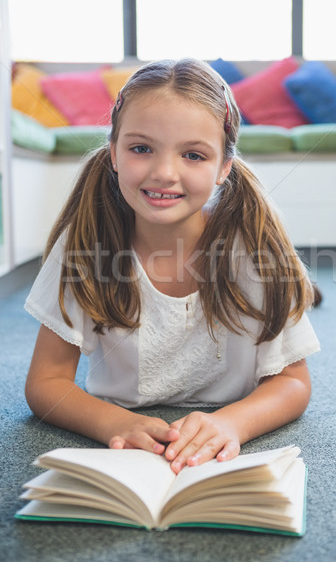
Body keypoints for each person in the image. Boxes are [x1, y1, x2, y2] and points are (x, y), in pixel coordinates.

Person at [24, 58, 320, 474]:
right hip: (125, 412)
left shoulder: (254, 248)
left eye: (194, 155)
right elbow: (45, 383)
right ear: (113, 152)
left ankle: (306, 293)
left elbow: (292, 382)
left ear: (223, 168)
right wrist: (116, 422)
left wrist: (231, 422)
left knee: (284, 286)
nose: (164, 173)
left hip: (229, 405)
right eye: (141, 148)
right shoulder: (86, 243)